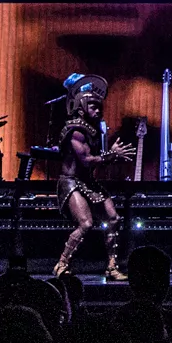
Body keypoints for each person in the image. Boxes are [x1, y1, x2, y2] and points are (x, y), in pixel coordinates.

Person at [52, 73, 134, 279]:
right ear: (81, 107)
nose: (98, 110)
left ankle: (112, 266)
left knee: (113, 218)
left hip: (87, 182)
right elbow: (87, 160)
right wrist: (110, 155)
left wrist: (112, 156)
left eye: (99, 107)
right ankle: (61, 264)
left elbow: (95, 160)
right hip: (71, 182)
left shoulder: (92, 130)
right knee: (86, 223)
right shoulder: (76, 130)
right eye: (93, 106)